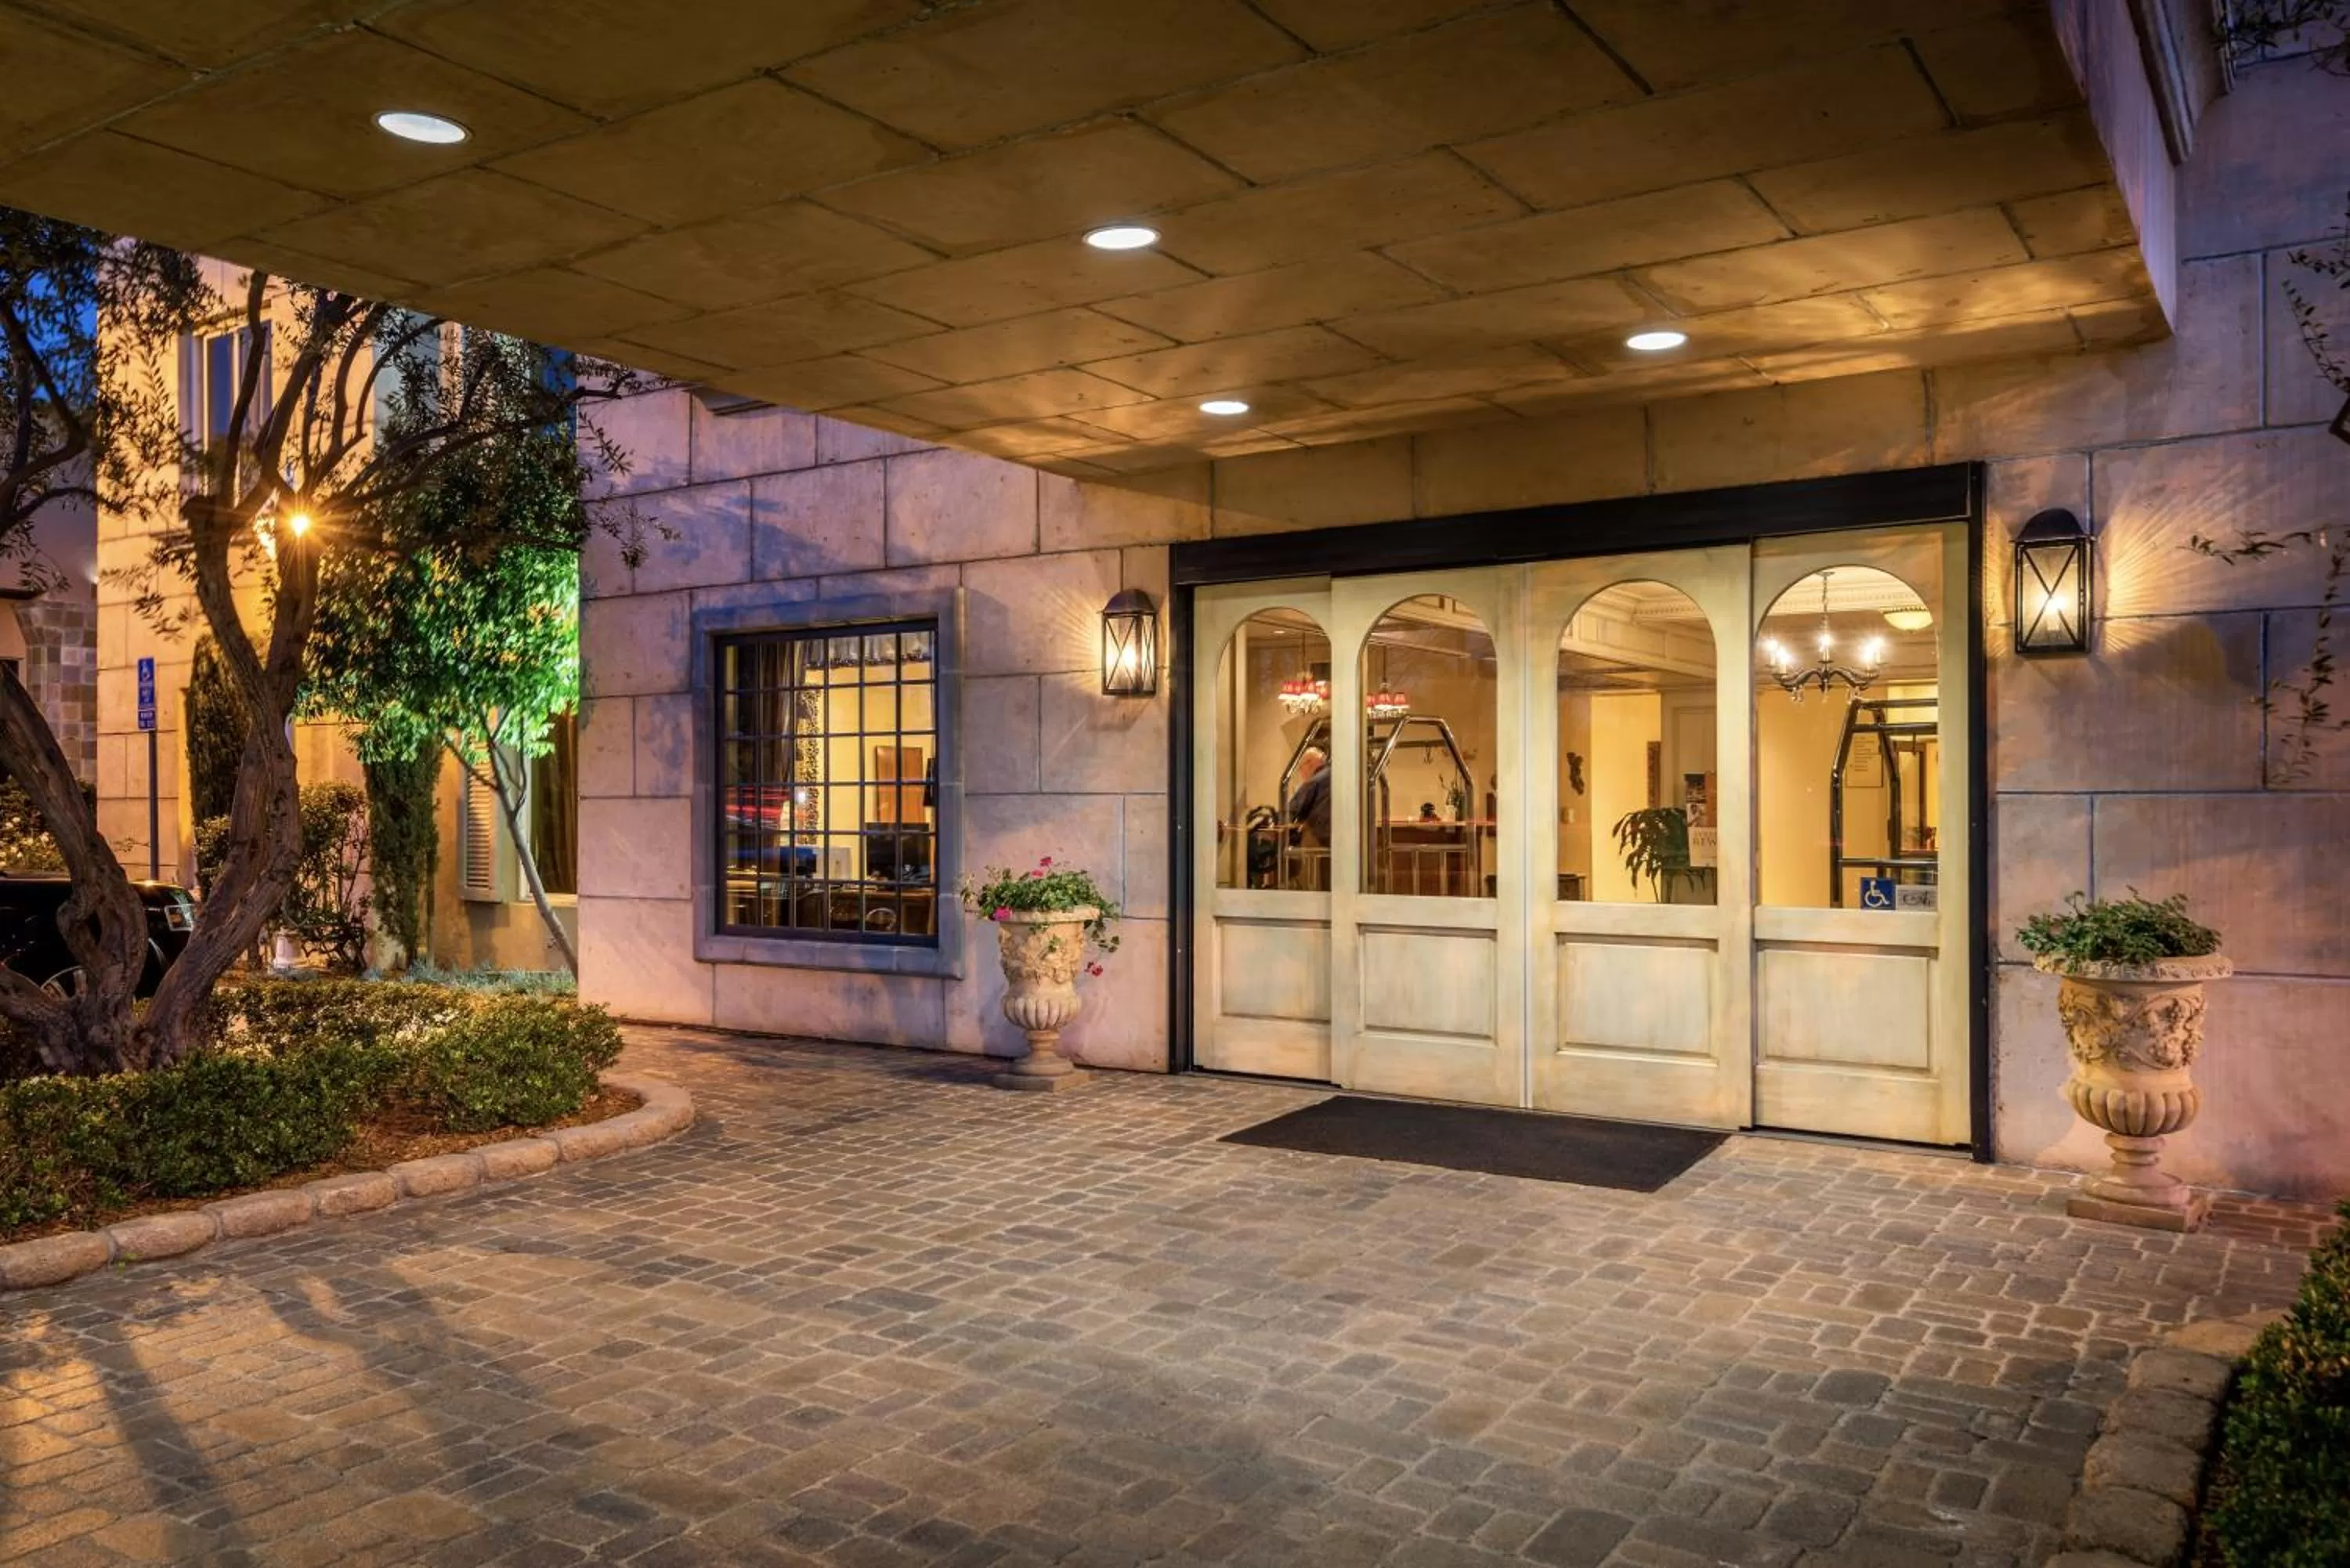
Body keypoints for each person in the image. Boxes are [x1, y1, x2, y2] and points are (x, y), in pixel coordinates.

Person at [1285, 746, 1332, 847]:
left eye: (1300, 768)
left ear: (1309, 763)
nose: (1301, 773)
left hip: (1321, 839)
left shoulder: (1315, 780)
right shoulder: (1336, 775)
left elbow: (1292, 809)